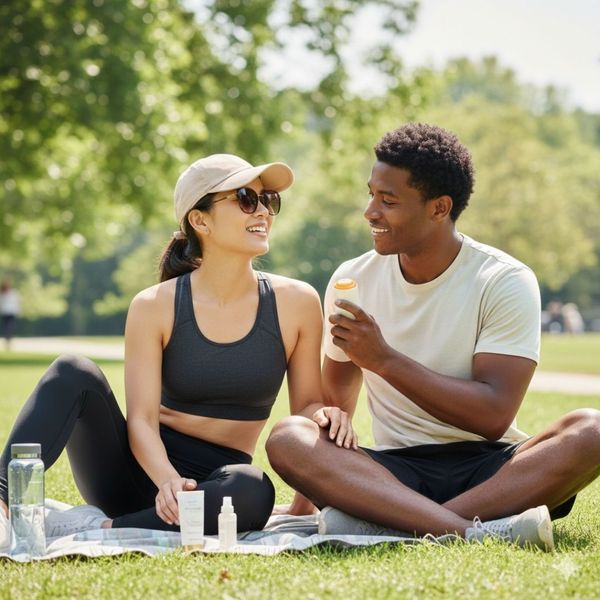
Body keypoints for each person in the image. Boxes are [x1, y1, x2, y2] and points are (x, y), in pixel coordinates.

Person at [266, 123, 600, 551]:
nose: (370, 211)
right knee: (291, 436)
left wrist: (384, 360)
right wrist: (303, 502)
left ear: (439, 208)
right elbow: (333, 407)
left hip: (491, 468)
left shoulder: (503, 280)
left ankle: (400, 524)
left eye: (388, 201)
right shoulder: (353, 279)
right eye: (371, 194)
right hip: (393, 473)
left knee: (591, 429)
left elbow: (492, 415)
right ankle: (466, 530)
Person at [0, 153, 355, 546]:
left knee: (253, 488)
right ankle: (0, 506)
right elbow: (141, 420)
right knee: (73, 371)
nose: (263, 212)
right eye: (244, 198)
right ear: (200, 220)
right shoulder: (154, 305)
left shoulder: (298, 302)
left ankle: (93, 529)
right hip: (134, 474)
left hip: (217, 486)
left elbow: (304, 407)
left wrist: (323, 415)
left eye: (267, 200)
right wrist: (167, 481)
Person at [0, 279, 21, 350]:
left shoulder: (13, 293)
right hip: (5, 313)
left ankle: (9, 341)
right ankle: (7, 341)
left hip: (11, 312)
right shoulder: (2, 294)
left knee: (10, 327)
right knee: (7, 328)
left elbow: (17, 302)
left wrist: (18, 310)